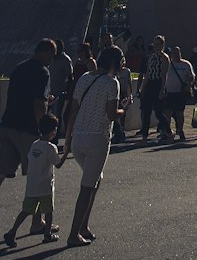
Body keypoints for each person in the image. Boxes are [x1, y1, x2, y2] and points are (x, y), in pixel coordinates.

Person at [63, 45, 126, 247]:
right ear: (114, 62)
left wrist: (67, 139)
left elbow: (73, 109)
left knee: (95, 181)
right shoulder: (111, 82)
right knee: (87, 187)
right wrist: (123, 109)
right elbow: (110, 114)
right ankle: (74, 234)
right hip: (97, 138)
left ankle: (84, 226)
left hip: (78, 137)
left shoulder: (84, 78)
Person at [0, 39, 56, 212]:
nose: (51, 60)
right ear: (45, 52)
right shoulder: (42, 72)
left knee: (2, 170)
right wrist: (43, 129)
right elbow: (38, 103)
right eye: (51, 55)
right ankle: (37, 221)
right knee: (38, 175)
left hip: (8, 125)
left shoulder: (19, 67)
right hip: (28, 129)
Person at [3, 113, 63, 247]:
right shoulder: (50, 148)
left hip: (32, 185)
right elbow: (58, 164)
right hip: (45, 186)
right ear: (53, 131)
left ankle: (13, 231)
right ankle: (47, 234)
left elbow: (31, 158)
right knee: (48, 211)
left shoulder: (34, 145)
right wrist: (65, 153)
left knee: (26, 210)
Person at [138, 35, 170, 143]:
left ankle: (167, 130)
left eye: (158, 44)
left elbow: (165, 75)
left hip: (158, 83)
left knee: (158, 111)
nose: (156, 46)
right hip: (150, 84)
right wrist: (143, 88)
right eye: (155, 44)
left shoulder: (164, 57)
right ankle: (144, 135)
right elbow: (147, 74)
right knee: (146, 111)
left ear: (162, 45)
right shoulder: (151, 57)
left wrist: (162, 89)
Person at [163, 46, 196, 142]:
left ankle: (180, 130)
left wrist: (189, 84)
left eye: (177, 53)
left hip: (180, 93)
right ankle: (167, 131)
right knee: (167, 112)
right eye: (174, 53)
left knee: (179, 113)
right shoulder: (168, 65)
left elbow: (191, 77)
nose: (176, 55)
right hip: (169, 92)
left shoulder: (186, 64)